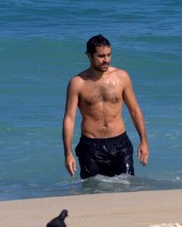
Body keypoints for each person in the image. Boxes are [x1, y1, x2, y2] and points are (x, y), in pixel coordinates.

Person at [63, 34, 148, 180]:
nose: (106, 60)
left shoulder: (122, 77)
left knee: (126, 187)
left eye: (109, 55)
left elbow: (135, 110)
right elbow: (69, 119)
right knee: (93, 191)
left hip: (120, 144)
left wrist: (144, 141)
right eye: (101, 56)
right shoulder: (77, 83)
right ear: (89, 55)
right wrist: (68, 153)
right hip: (91, 147)